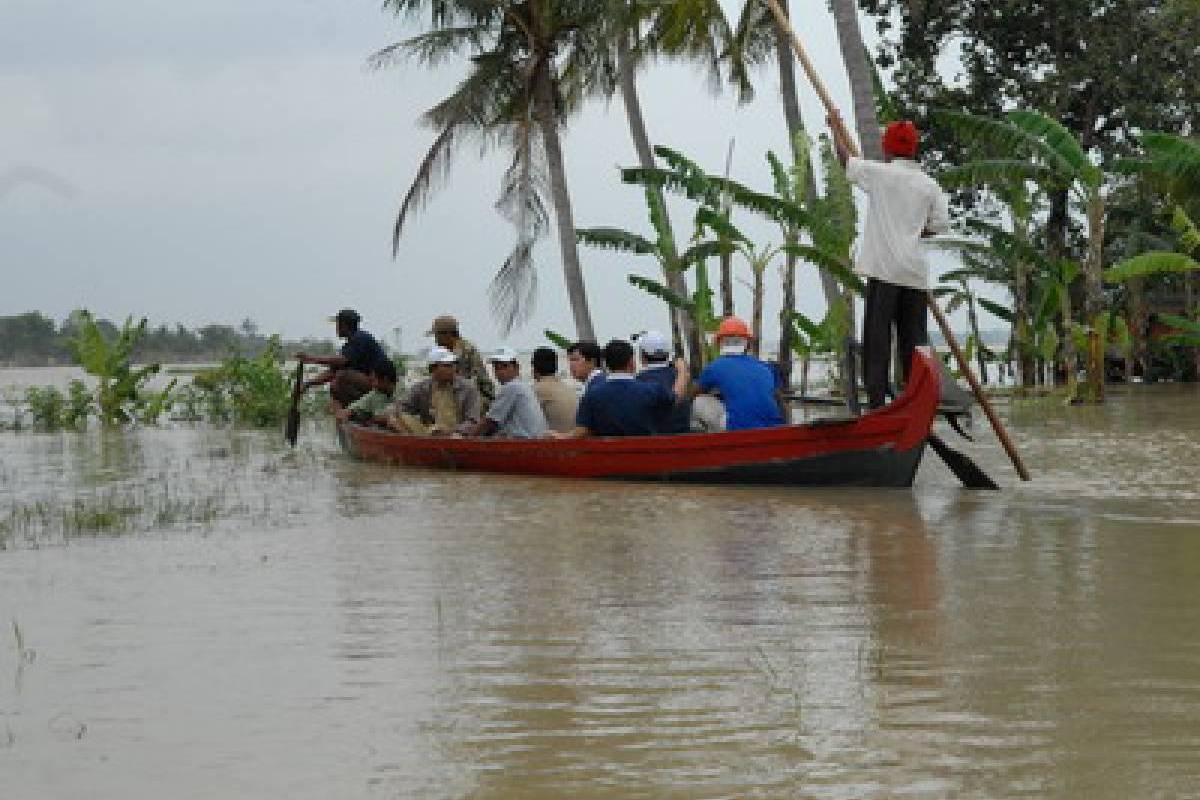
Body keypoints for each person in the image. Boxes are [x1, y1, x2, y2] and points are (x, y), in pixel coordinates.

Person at [831, 118, 951, 409]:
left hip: (884, 270)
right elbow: (940, 225)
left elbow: (846, 160)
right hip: (913, 273)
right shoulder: (929, 185)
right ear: (913, 151)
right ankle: (915, 402)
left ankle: (876, 402)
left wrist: (834, 129)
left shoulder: (880, 174)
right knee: (914, 343)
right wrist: (912, 231)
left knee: (877, 340)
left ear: (887, 150)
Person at [566, 339, 688, 437]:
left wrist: (559, 435)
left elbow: (581, 431)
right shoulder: (651, 390)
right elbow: (677, 396)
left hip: (610, 459)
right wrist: (682, 371)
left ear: (606, 364)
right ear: (632, 362)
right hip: (647, 456)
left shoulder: (591, 394)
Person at [695, 316, 784, 430]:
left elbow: (698, 391)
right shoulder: (765, 366)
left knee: (699, 401)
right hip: (774, 428)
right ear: (747, 344)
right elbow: (776, 395)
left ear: (719, 343)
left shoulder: (715, 367)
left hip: (738, 428)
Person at [295, 309, 387, 407]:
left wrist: (311, 359)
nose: (336, 328)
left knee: (342, 376)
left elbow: (341, 362)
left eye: (337, 325)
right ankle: (343, 416)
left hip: (379, 384)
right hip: (366, 382)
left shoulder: (361, 338)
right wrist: (308, 384)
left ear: (344, 325)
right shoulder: (349, 345)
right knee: (334, 387)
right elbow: (333, 371)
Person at [388, 346, 480, 435]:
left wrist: (451, 431)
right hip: (428, 433)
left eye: (452, 365)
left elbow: (472, 421)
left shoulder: (468, 389)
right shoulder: (421, 388)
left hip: (457, 436)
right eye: (446, 366)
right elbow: (402, 408)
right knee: (396, 418)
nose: (452, 369)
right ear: (433, 369)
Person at [465, 347, 548, 438]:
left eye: (505, 366)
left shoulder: (512, 387)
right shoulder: (522, 385)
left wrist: (468, 437)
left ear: (516, 368)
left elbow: (488, 421)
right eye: (496, 367)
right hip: (533, 438)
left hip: (526, 441)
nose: (500, 372)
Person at [428, 315, 495, 407]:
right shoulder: (442, 352)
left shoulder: (466, 351)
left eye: (437, 335)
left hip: (473, 399)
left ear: (448, 334)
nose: (436, 340)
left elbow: (477, 382)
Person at [634, 330, 691, 434]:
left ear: (642, 356)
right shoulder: (681, 377)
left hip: (653, 444)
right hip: (683, 439)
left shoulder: (638, 382)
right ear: (667, 353)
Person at [530, 346, 579, 434]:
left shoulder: (539, 389)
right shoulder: (566, 387)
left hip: (557, 443)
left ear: (534, 368)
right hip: (575, 440)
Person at [335, 359, 398, 427]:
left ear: (385, 379)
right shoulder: (377, 395)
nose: (373, 384)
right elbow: (378, 417)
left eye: (374, 380)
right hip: (354, 415)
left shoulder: (395, 393)